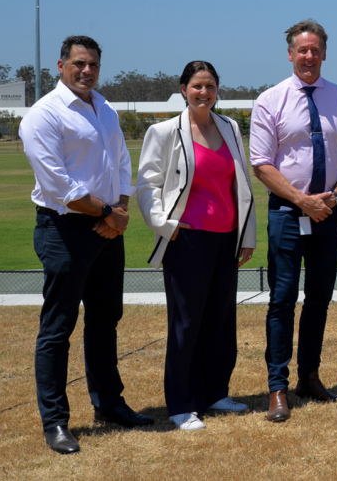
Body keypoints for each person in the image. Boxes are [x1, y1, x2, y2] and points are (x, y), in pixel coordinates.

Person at [19, 35, 154, 455]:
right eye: (78, 64)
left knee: (105, 319)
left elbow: (122, 162)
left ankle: (109, 404)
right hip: (65, 229)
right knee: (58, 328)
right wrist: (107, 213)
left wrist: (120, 210)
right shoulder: (42, 116)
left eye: (93, 64)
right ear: (60, 66)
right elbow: (58, 184)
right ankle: (55, 421)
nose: (86, 71)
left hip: (107, 225)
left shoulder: (105, 107)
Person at [250, 19, 337, 422]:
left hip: (328, 215)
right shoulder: (271, 100)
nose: (309, 56)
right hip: (286, 214)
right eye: (302, 50)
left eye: (315, 49)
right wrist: (303, 200)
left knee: (318, 299)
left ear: (324, 53)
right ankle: (277, 387)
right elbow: (261, 165)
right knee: (282, 300)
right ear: (290, 54)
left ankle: (309, 376)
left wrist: (332, 198)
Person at [136, 61, 257, 430]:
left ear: (217, 89)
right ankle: (181, 403)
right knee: (186, 324)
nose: (203, 93)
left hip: (226, 239)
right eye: (197, 86)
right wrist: (166, 226)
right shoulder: (164, 131)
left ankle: (215, 392)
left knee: (220, 321)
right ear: (183, 89)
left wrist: (246, 235)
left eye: (210, 86)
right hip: (186, 240)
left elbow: (242, 185)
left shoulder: (230, 127)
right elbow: (146, 185)